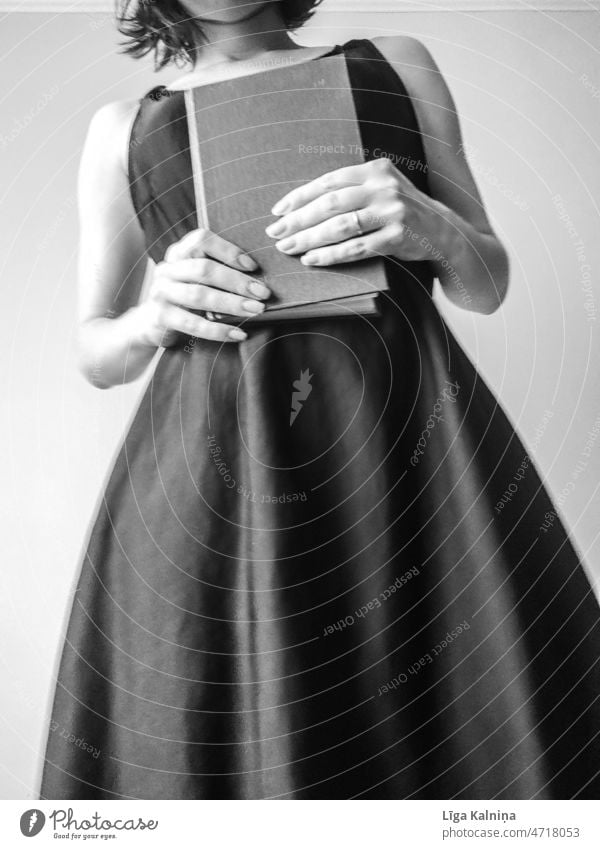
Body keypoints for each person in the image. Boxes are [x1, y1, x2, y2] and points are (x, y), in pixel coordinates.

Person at [40, 0, 600, 799]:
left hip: (412, 458)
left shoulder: (395, 62)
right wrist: (152, 311)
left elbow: (487, 280)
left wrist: (434, 229)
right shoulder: (121, 127)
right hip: (211, 492)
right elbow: (94, 350)